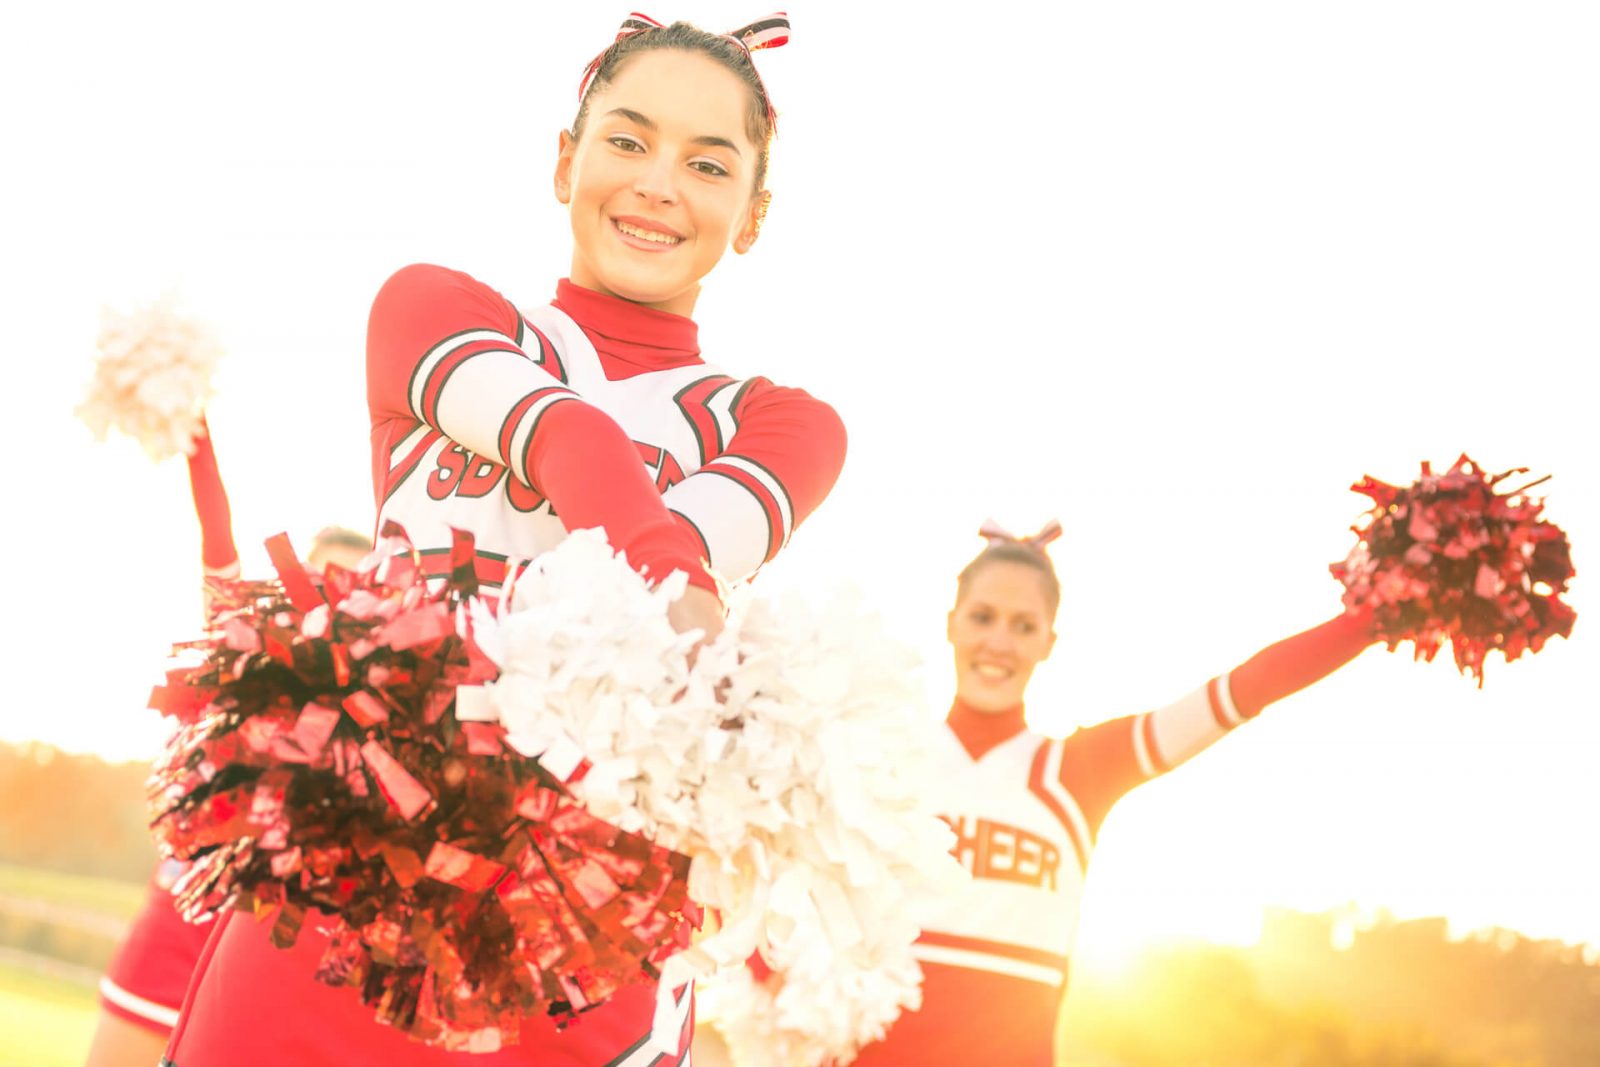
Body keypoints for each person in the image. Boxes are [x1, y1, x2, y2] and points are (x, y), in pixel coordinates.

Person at [162, 14, 845, 1067]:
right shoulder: (431, 308)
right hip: (349, 876)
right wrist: (680, 585)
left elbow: (644, 572)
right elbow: (573, 446)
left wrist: (674, 581)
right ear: (565, 161)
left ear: (752, 215)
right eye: (627, 140)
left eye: (708, 164)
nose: (658, 183)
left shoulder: (781, 425)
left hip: (581, 931)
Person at [845, 520, 1380, 1067]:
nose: (999, 642)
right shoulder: (874, 759)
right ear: (951, 624)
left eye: (1024, 626)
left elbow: (1243, 690)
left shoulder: (1077, 772)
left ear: (1048, 643)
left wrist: (1375, 619)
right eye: (983, 617)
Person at [87, 420, 372, 1067]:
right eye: (317, 577)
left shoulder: (379, 715)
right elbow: (217, 541)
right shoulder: (240, 644)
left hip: (261, 968)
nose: (327, 599)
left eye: (351, 587)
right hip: (173, 933)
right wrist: (193, 429)